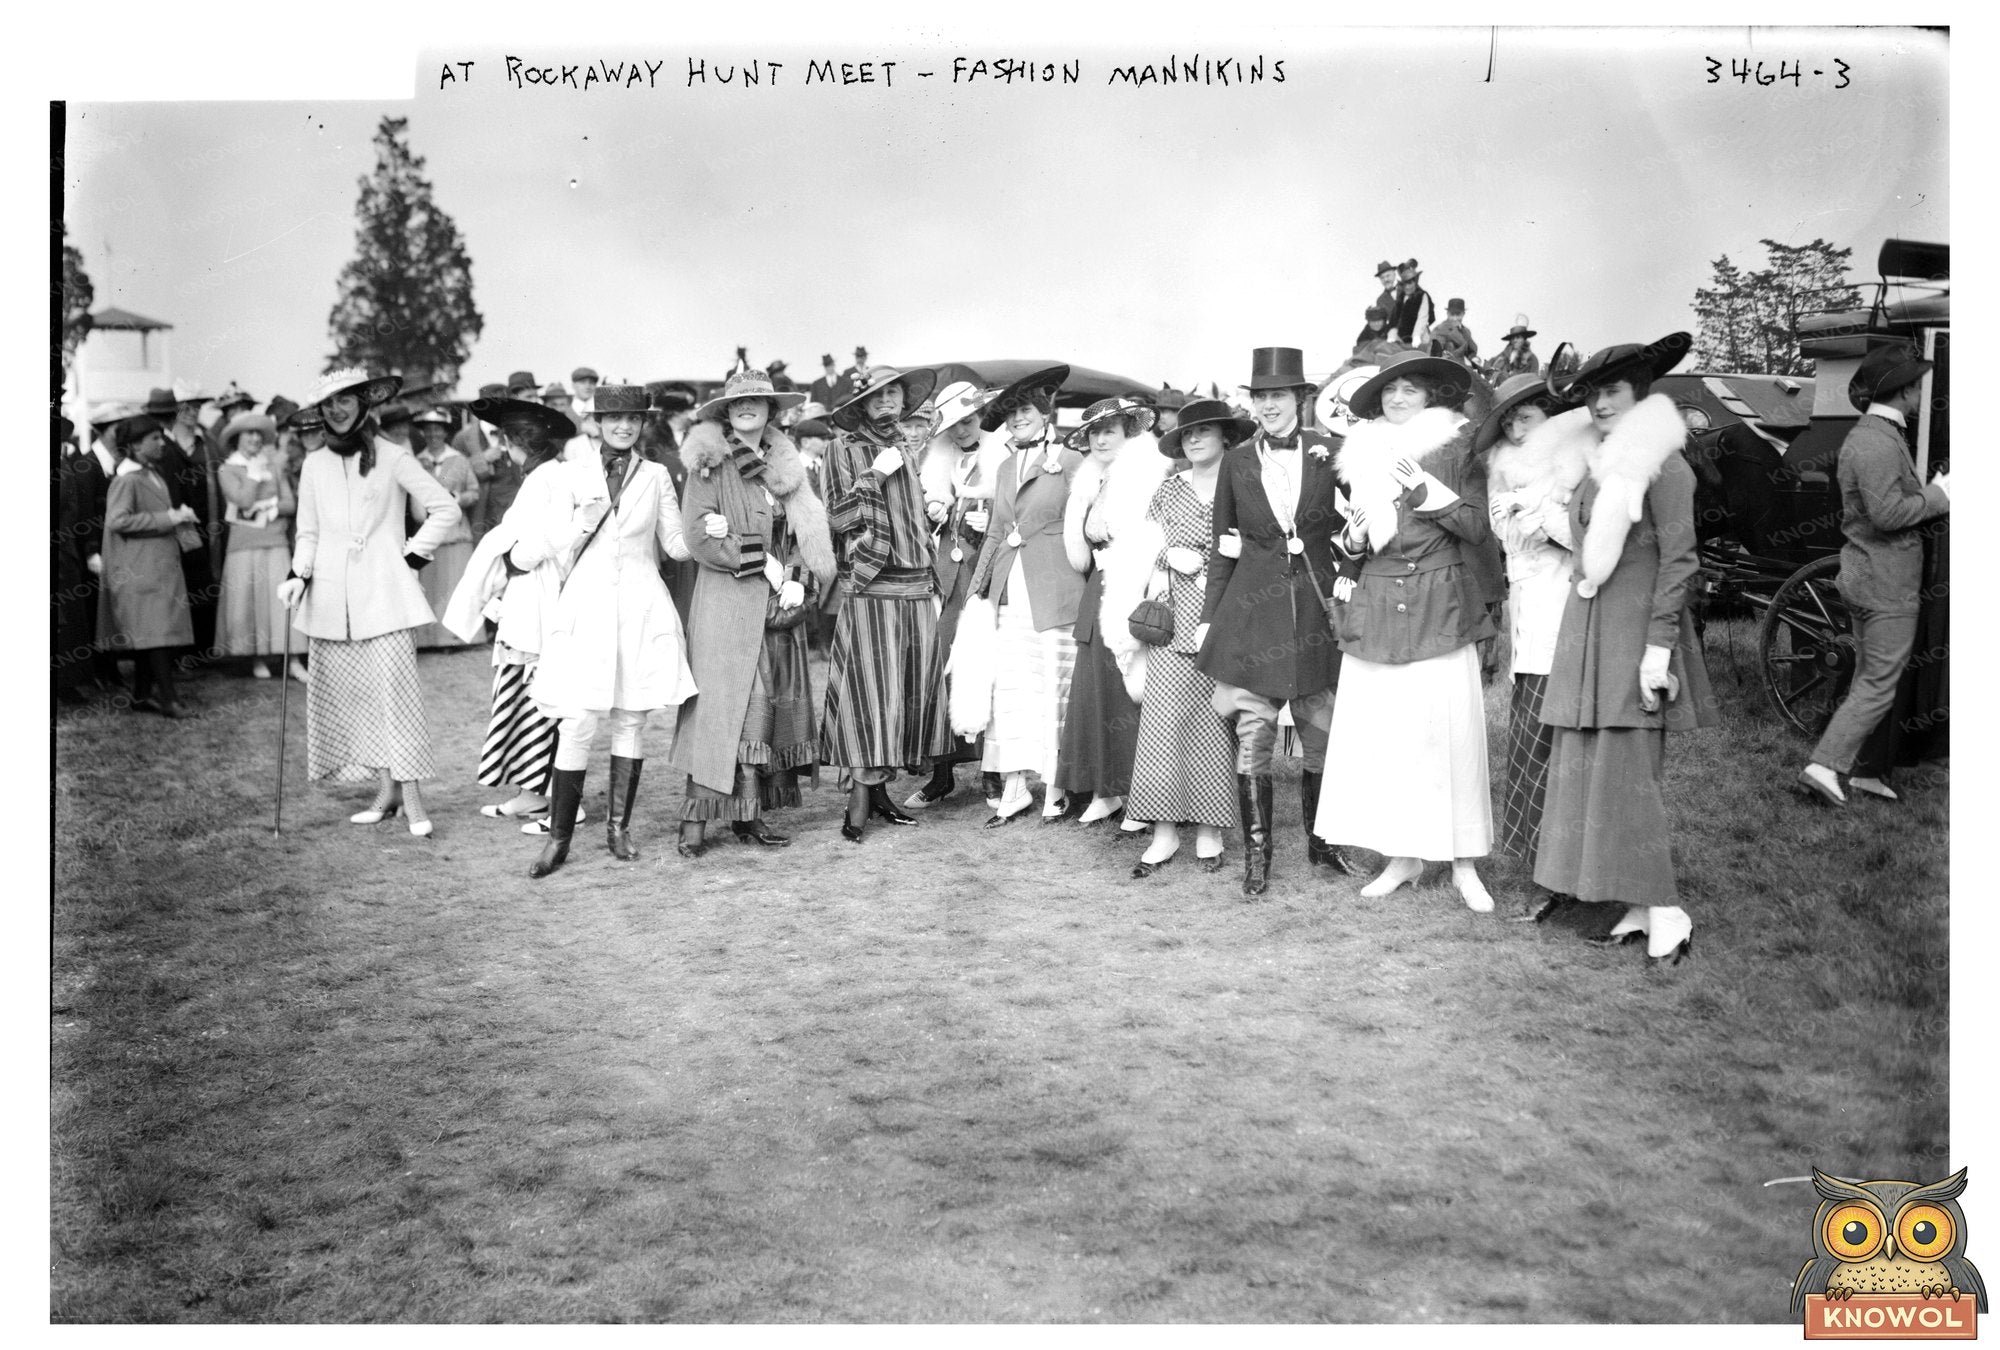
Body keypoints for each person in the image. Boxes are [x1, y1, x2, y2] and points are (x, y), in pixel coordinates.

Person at [1534, 334, 1717, 965]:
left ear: (1640, 392)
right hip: (1590, 630)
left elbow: (1680, 563)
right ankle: (1633, 903)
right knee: (1594, 768)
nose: (1600, 404)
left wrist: (1658, 650)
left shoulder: (1665, 465)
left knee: (1633, 776)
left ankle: (1668, 910)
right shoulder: (1599, 463)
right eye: (1590, 394)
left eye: (1611, 390)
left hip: (1638, 634)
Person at [1317, 349, 1500, 911]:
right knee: (1388, 734)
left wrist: (1425, 491)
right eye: (1389, 393)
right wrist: (1351, 540)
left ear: (1432, 398)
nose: (1397, 400)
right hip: (1377, 600)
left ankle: (1464, 861)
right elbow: (1358, 541)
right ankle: (1403, 855)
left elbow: (1475, 526)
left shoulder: (1459, 446)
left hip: (1438, 599)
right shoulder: (1363, 456)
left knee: (1447, 731)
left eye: (1410, 391)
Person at [517, 384, 697, 877]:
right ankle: (558, 840)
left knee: (630, 718)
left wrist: (708, 529)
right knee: (576, 720)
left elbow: (675, 543)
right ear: (597, 421)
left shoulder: (657, 474)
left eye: (633, 419)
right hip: (587, 608)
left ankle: (619, 829)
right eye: (614, 418)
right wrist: (581, 521)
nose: (624, 426)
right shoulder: (569, 476)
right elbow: (537, 550)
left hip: (640, 606)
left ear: (643, 423)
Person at [1193, 347, 1353, 897]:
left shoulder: (1330, 453)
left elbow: (1360, 522)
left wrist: (1348, 571)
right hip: (1253, 609)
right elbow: (1221, 547)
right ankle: (1257, 855)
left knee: (1321, 728)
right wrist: (1208, 619)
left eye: (1278, 396)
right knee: (1253, 730)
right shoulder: (1237, 461)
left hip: (1314, 605)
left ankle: (1322, 841)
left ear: (1300, 400)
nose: (1269, 407)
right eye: (1260, 398)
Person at [276, 369, 462, 837]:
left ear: (363, 402)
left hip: (385, 597)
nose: (337, 410)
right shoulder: (314, 464)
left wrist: (411, 556)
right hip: (332, 604)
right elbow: (309, 532)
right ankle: (386, 793)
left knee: (397, 698)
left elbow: (445, 508)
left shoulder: (394, 456)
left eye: (345, 400)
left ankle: (414, 799)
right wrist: (298, 575)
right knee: (360, 701)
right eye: (328, 404)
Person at [670, 371, 836, 856]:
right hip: (727, 602)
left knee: (762, 713)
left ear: (770, 410)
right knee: (723, 712)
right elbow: (698, 536)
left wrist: (795, 580)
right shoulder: (709, 463)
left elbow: (807, 536)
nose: (747, 409)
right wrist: (759, 560)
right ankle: (693, 825)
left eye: (757, 402)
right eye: (739, 402)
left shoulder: (786, 468)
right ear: (726, 410)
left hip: (775, 608)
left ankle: (749, 817)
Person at [1797, 342, 1951, 806]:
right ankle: (1824, 765)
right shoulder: (1879, 441)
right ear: (1904, 392)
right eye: (1917, 386)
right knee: (1879, 683)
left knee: (1870, 676)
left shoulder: (1873, 433)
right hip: (1887, 584)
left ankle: (1866, 771)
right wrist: (1941, 494)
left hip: (1866, 577)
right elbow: (1886, 514)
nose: (1923, 394)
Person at [1105, 399, 1251, 877]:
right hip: (1173, 621)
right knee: (1163, 725)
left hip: (1228, 615)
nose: (1194, 438)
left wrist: (1243, 549)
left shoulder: (1244, 484)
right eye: (1187, 433)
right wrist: (1169, 557)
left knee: (1214, 724)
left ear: (1225, 436)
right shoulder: (1167, 491)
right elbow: (1138, 549)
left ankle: (1210, 830)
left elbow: (1268, 542)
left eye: (1205, 430)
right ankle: (1164, 831)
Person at [818, 364, 956, 841]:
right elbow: (837, 518)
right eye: (877, 396)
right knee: (870, 692)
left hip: (917, 581)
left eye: (893, 394)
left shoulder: (907, 446)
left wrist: (931, 515)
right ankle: (861, 798)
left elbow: (905, 517)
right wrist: (873, 475)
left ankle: (879, 793)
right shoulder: (842, 449)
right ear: (861, 403)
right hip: (873, 583)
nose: (886, 403)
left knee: (902, 691)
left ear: (902, 399)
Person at [442, 395, 579, 831]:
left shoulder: (551, 478)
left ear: (525, 443)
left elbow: (557, 537)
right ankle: (530, 793)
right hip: (525, 597)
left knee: (544, 697)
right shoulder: (541, 476)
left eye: (509, 441)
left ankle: (563, 803)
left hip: (541, 595)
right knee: (522, 695)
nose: (504, 450)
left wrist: (514, 560)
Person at [956, 365, 1084, 826]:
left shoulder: (1071, 460)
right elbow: (995, 532)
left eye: (1025, 411)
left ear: (1045, 413)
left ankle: (1055, 787)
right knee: (1009, 687)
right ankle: (1013, 787)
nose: (1017, 421)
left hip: (1056, 587)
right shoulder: (1006, 465)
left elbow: (1086, 523)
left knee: (1053, 686)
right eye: (1010, 415)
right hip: (1010, 588)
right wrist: (978, 594)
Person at [1478, 374, 1587, 914]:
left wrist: (1543, 518)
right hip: (1529, 622)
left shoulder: (1578, 463)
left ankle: (1574, 869)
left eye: (1528, 416)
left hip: (1574, 616)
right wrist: (1525, 519)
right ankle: (1544, 865)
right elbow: (1508, 535)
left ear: (1553, 416)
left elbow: (1587, 537)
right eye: (1510, 419)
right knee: (1532, 739)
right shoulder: (1503, 472)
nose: (1518, 428)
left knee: (1567, 740)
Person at [1054, 396, 1169, 829]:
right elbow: (1081, 551)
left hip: (1132, 584)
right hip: (1098, 585)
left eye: (1111, 431)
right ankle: (1106, 789)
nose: (1101, 439)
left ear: (1129, 435)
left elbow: (1151, 538)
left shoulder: (1146, 476)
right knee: (1095, 689)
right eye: (1094, 433)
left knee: (1130, 689)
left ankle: (1142, 793)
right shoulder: (1091, 483)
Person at [905, 382, 1001, 807]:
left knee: (987, 665)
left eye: (969, 421)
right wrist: (936, 510)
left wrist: (993, 518)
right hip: (946, 569)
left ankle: (994, 773)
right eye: (954, 425)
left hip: (986, 570)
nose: (962, 431)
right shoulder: (938, 460)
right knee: (940, 665)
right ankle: (941, 772)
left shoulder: (1002, 456)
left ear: (982, 417)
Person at [99, 414, 200, 717]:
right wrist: (167, 518)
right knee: (157, 636)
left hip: (156, 567)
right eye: (154, 439)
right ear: (133, 446)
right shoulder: (127, 479)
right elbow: (117, 520)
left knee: (152, 636)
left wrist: (177, 517)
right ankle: (168, 698)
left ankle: (142, 695)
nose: (161, 443)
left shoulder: (149, 473)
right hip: (141, 570)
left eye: (160, 437)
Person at [214, 411, 305, 681]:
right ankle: (257, 657)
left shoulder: (274, 466)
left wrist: (270, 506)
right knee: (250, 601)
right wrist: (253, 477)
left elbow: (290, 503)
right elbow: (241, 501)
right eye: (248, 433)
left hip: (275, 541)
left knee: (283, 600)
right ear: (236, 439)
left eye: (258, 433)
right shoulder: (227, 469)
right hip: (243, 546)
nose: (254, 438)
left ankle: (295, 659)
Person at [410, 408, 482, 649]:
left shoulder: (458, 460)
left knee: (456, 586)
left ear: (445, 432)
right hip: (429, 534)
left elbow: (474, 491)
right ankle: (431, 639)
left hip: (456, 533)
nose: (433, 434)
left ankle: (457, 637)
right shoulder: (416, 461)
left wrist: (458, 498)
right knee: (433, 587)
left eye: (438, 429)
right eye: (428, 429)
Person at [1390, 259, 1435, 350]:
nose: (1407, 287)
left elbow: (1422, 317)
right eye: (1405, 284)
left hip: (1420, 337)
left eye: (1410, 283)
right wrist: (1392, 334)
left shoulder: (1422, 295)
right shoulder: (1400, 297)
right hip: (1402, 338)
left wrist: (1416, 336)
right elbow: (1395, 318)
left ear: (1415, 282)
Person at [1488, 317, 1541, 381]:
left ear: (1524, 339)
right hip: (1503, 387)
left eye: (1518, 337)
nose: (1515, 340)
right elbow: (1489, 366)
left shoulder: (1532, 359)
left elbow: (1533, 379)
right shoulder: (1504, 354)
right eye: (1513, 338)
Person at [1432, 298, 1478, 364]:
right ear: (1447, 314)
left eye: (1458, 314)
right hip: (1446, 365)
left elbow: (1472, 350)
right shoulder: (1440, 329)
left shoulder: (1466, 331)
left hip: (1463, 366)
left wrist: (1474, 358)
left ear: (1463, 314)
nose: (1455, 318)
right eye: (1452, 314)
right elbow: (1435, 353)